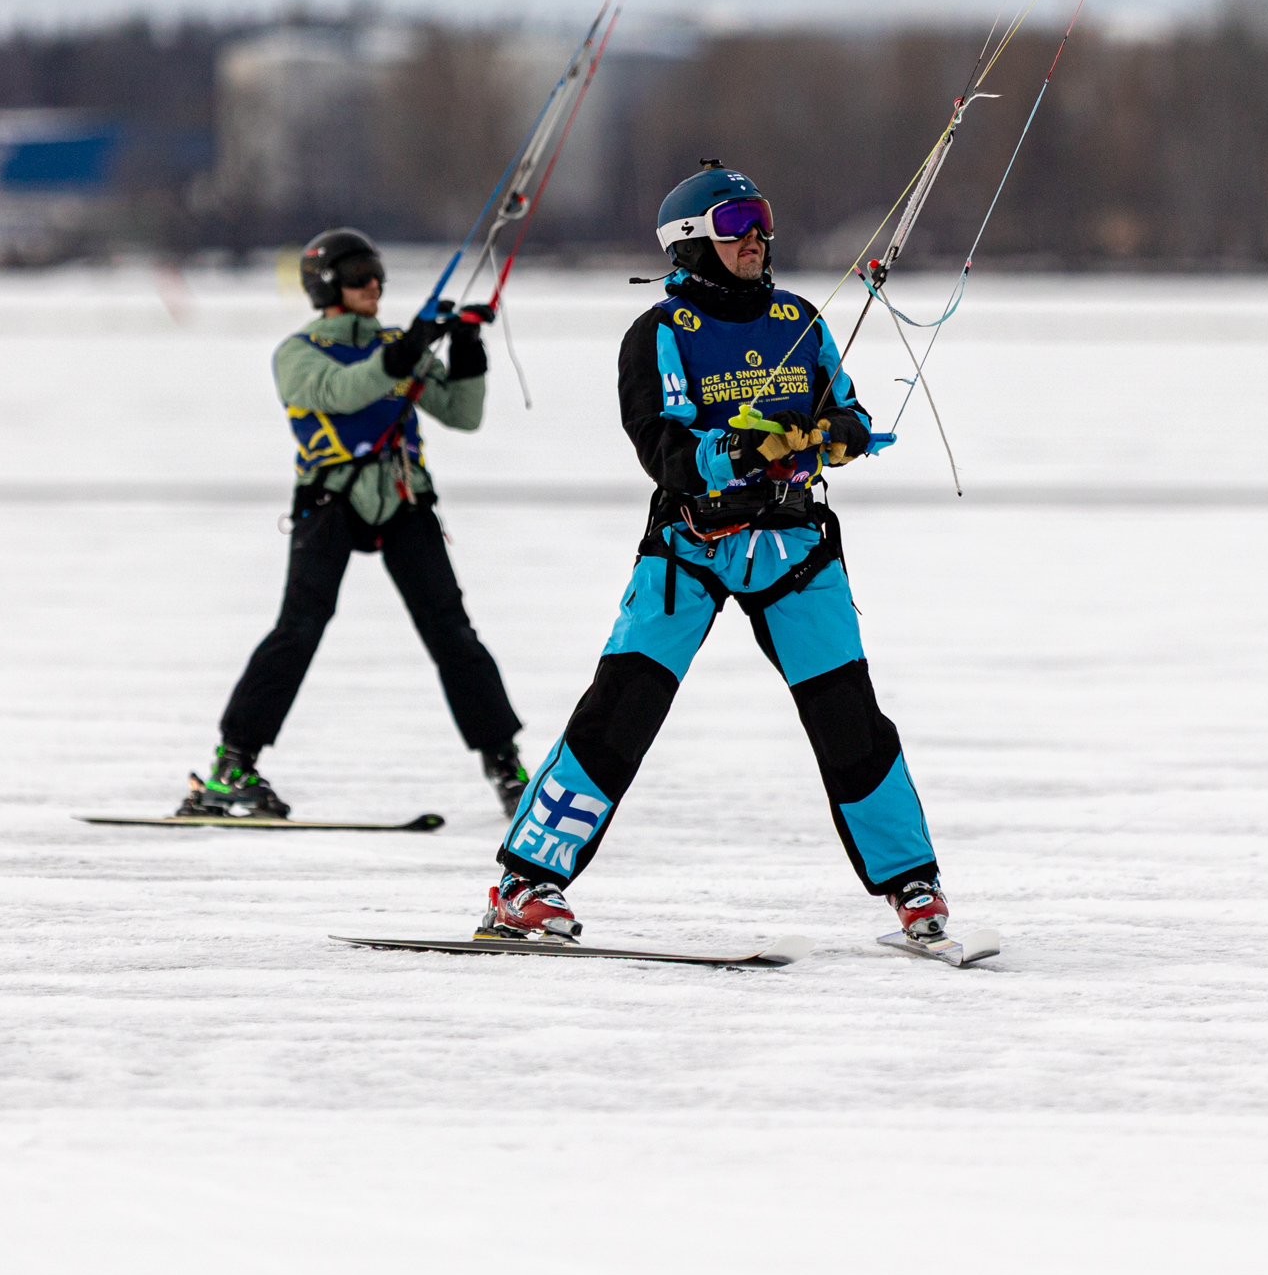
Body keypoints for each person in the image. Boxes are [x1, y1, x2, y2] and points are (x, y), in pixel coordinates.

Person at [476, 161, 955, 948]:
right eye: (735, 224)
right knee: (619, 711)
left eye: (761, 219)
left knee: (850, 720)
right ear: (690, 241)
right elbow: (661, 448)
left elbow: (848, 410)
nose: (755, 237)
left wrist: (834, 437)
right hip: (688, 555)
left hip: (794, 551)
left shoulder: (800, 317)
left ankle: (914, 888)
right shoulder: (661, 333)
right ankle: (525, 884)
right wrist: (740, 450)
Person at [178, 227, 529, 819]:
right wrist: (404, 352)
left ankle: (506, 767)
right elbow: (342, 392)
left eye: (378, 274)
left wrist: (467, 347)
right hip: (330, 501)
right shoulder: (298, 353)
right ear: (325, 284)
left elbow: (462, 414)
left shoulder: (398, 345)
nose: (374, 285)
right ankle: (232, 765)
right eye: (359, 274)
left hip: (404, 498)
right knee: (298, 629)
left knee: (452, 633)